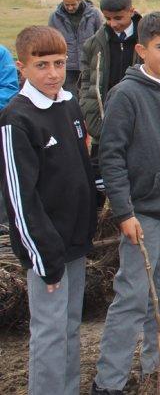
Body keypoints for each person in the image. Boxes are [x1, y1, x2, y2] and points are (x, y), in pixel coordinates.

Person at [92, 12, 160, 395]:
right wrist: (124, 212)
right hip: (144, 216)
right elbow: (111, 158)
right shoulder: (126, 95)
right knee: (133, 296)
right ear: (141, 50)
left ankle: (157, 371)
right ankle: (109, 381)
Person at [1, 26, 97, 395]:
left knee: (71, 327)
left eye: (59, 63)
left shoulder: (68, 103)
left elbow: (80, 170)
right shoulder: (16, 119)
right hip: (47, 249)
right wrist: (44, 256)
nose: (53, 73)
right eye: (42, 65)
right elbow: (20, 198)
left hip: (75, 241)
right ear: (22, 67)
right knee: (49, 332)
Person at [79, 0, 142, 180]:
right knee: (99, 176)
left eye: (118, 18)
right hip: (103, 121)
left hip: (137, 121)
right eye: (107, 18)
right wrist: (88, 110)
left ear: (131, 12)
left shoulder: (147, 40)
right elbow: (86, 82)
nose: (113, 24)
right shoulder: (93, 44)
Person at [48, 0, 103, 94]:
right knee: (70, 98)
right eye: (66, 4)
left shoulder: (94, 14)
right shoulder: (54, 17)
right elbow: (52, 42)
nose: (70, 7)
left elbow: (101, 38)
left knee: (89, 96)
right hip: (67, 67)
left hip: (89, 64)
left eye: (73, 4)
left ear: (79, 0)